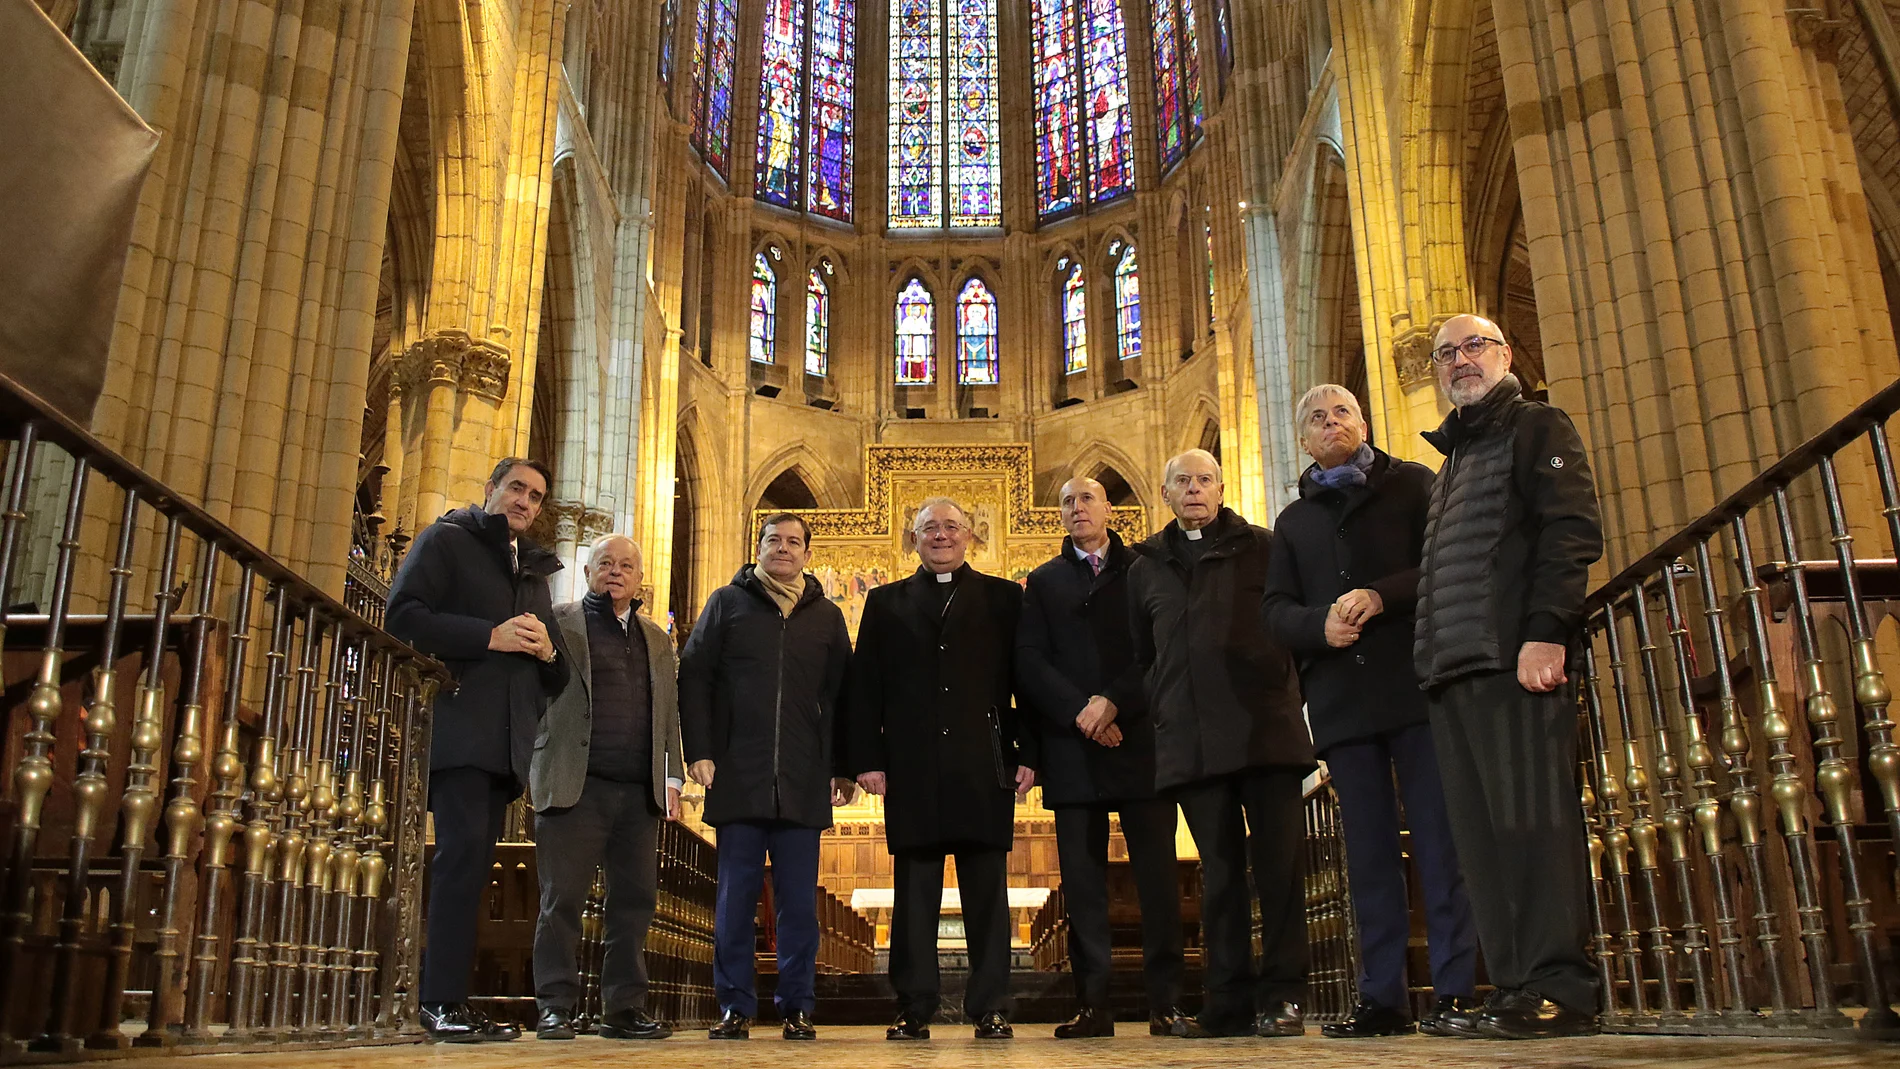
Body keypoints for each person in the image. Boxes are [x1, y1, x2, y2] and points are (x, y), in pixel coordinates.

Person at [1262, 385, 1478, 1038]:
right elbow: (1275, 611)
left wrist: (1380, 596)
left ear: (1362, 422)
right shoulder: (1293, 522)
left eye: (1342, 413)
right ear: (1304, 440)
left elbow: (1446, 562)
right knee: (1368, 856)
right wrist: (1318, 626)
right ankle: (1382, 997)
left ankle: (1455, 993)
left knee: (1439, 844)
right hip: (1343, 704)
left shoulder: (1411, 484)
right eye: (1317, 418)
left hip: (1415, 687)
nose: (1331, 423)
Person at [1415, 314, 1603, 1039]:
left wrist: (1547, 630)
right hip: (1453, 669)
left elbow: (1570, 529)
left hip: (1512, 661)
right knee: (1484, 842)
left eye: (1474, 347)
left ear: (1504, 356)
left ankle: (1560, 985)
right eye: (1446, 353)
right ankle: (1517, 985)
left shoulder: (1536, 426)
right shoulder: (1453, 462)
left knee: (1532, 824)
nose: (1460, 361)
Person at [1126, 449, 1315, 1039]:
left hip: (1265, 734)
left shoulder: (1264, 546)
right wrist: (1165, 703)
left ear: (1222, 488)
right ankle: (1228, 1002)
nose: (1194, 489)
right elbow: (1144, 655)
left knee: (1279, 871)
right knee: (1222, 875)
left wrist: (1286, 695)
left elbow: (1296, 628)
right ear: (1165, 494)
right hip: (1193, 742)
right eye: (1182, 481)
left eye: (1204, 480)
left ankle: (1283, 996)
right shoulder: (1144, 567)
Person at [386, 457, 568, 1043]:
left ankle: (453, 1000)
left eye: (535, 496)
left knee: (473, 874)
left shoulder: (533, 572)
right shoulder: (447, 540)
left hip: (506, 744)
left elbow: (558, 675)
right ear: (490, 489)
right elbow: (402, 617)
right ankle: (438, 1001)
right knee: (460, 865)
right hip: (461, 729)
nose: (525, 502)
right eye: (516, 488)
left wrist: (547, 653)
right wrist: (488, 635)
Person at [842, 497, 1037, 1041]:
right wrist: (867, 761)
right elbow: (865, 688)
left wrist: (1029, 754)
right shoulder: (885, 602)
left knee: (987, 895)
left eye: (952, 527)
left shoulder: (1003, 598)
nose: (942, 536)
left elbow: (1025, 681)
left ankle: (991, 1006)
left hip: (984, 765)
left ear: (970, 535)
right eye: (930, 528)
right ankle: (914, 1006)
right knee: (914, 896)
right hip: (912, 769)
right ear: (914, 539)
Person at [1016, 476, 1186, 1039]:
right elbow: (1029, 661)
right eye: (1067, 501)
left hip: (1140, 741)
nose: (1077, 508)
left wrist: (1113, 702)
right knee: (1083, 890)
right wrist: (1081, 712)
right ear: (1060, 515)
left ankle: (1167, 1002)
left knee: (1158, 881)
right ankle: (1093, 1005)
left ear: (1109, 507)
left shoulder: (1144, 568)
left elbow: (1160, 650)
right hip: (1072, 749)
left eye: (1087, 498)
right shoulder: (1042, 581)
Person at [680, 512, 856, 1041]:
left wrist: (843, 767)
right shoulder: (726, 603)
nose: (783, 548)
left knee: (798, 906)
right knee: (735, 901)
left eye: (793, 542)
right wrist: (700, 750)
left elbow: (843, 697)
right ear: (758, 547)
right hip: (738, 775)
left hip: (802, 779)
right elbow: (695, 676)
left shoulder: (827, 616)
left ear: (807, 553)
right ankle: (734, 1006)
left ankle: (797, 1006)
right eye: (774, 540)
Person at [528, 534, 684, 1042]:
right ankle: (555, 1006)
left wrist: (672, 777)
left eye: (626, 566)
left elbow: (668, 713)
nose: (616, 572)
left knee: (634, 905)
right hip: (575, 784)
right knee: (561, 902)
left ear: (640, 579)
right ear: (588, 571)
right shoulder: (558, 621)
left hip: (638, 793)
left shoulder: (656, 638)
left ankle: (623, 1008)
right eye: (606, 563)